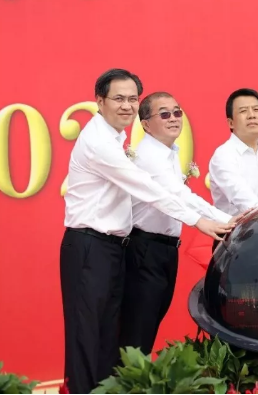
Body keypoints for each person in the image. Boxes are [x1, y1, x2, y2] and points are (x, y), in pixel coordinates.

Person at [60, 69, 232, 394]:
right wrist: (199, 222)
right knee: (88, 335)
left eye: (132, 99)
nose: (126, 105)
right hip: (88, 246)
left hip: (112, 247)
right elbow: (149, 189)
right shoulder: (99, 142)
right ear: (100, 101)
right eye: (118, 98)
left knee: (108, 337)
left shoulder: (117, 139)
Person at [119, 92, 247, 356]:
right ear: (146, 124)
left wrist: (224, 219)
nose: (174, 118)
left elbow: (183, 194)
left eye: (177, 112)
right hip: (145, 250)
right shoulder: (149, 155)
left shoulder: (168, 153)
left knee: (148, 325)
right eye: (164, 114)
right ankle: (127, 378)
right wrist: (212, 221)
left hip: (162, 249)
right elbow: (177, 196)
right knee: (137, 331)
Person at [208, 88, 258, 250]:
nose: (251, 115)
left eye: (256, 110)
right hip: (236, 238)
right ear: (231, 123)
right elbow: (242, 198)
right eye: (243, 111)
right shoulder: (224, 155)